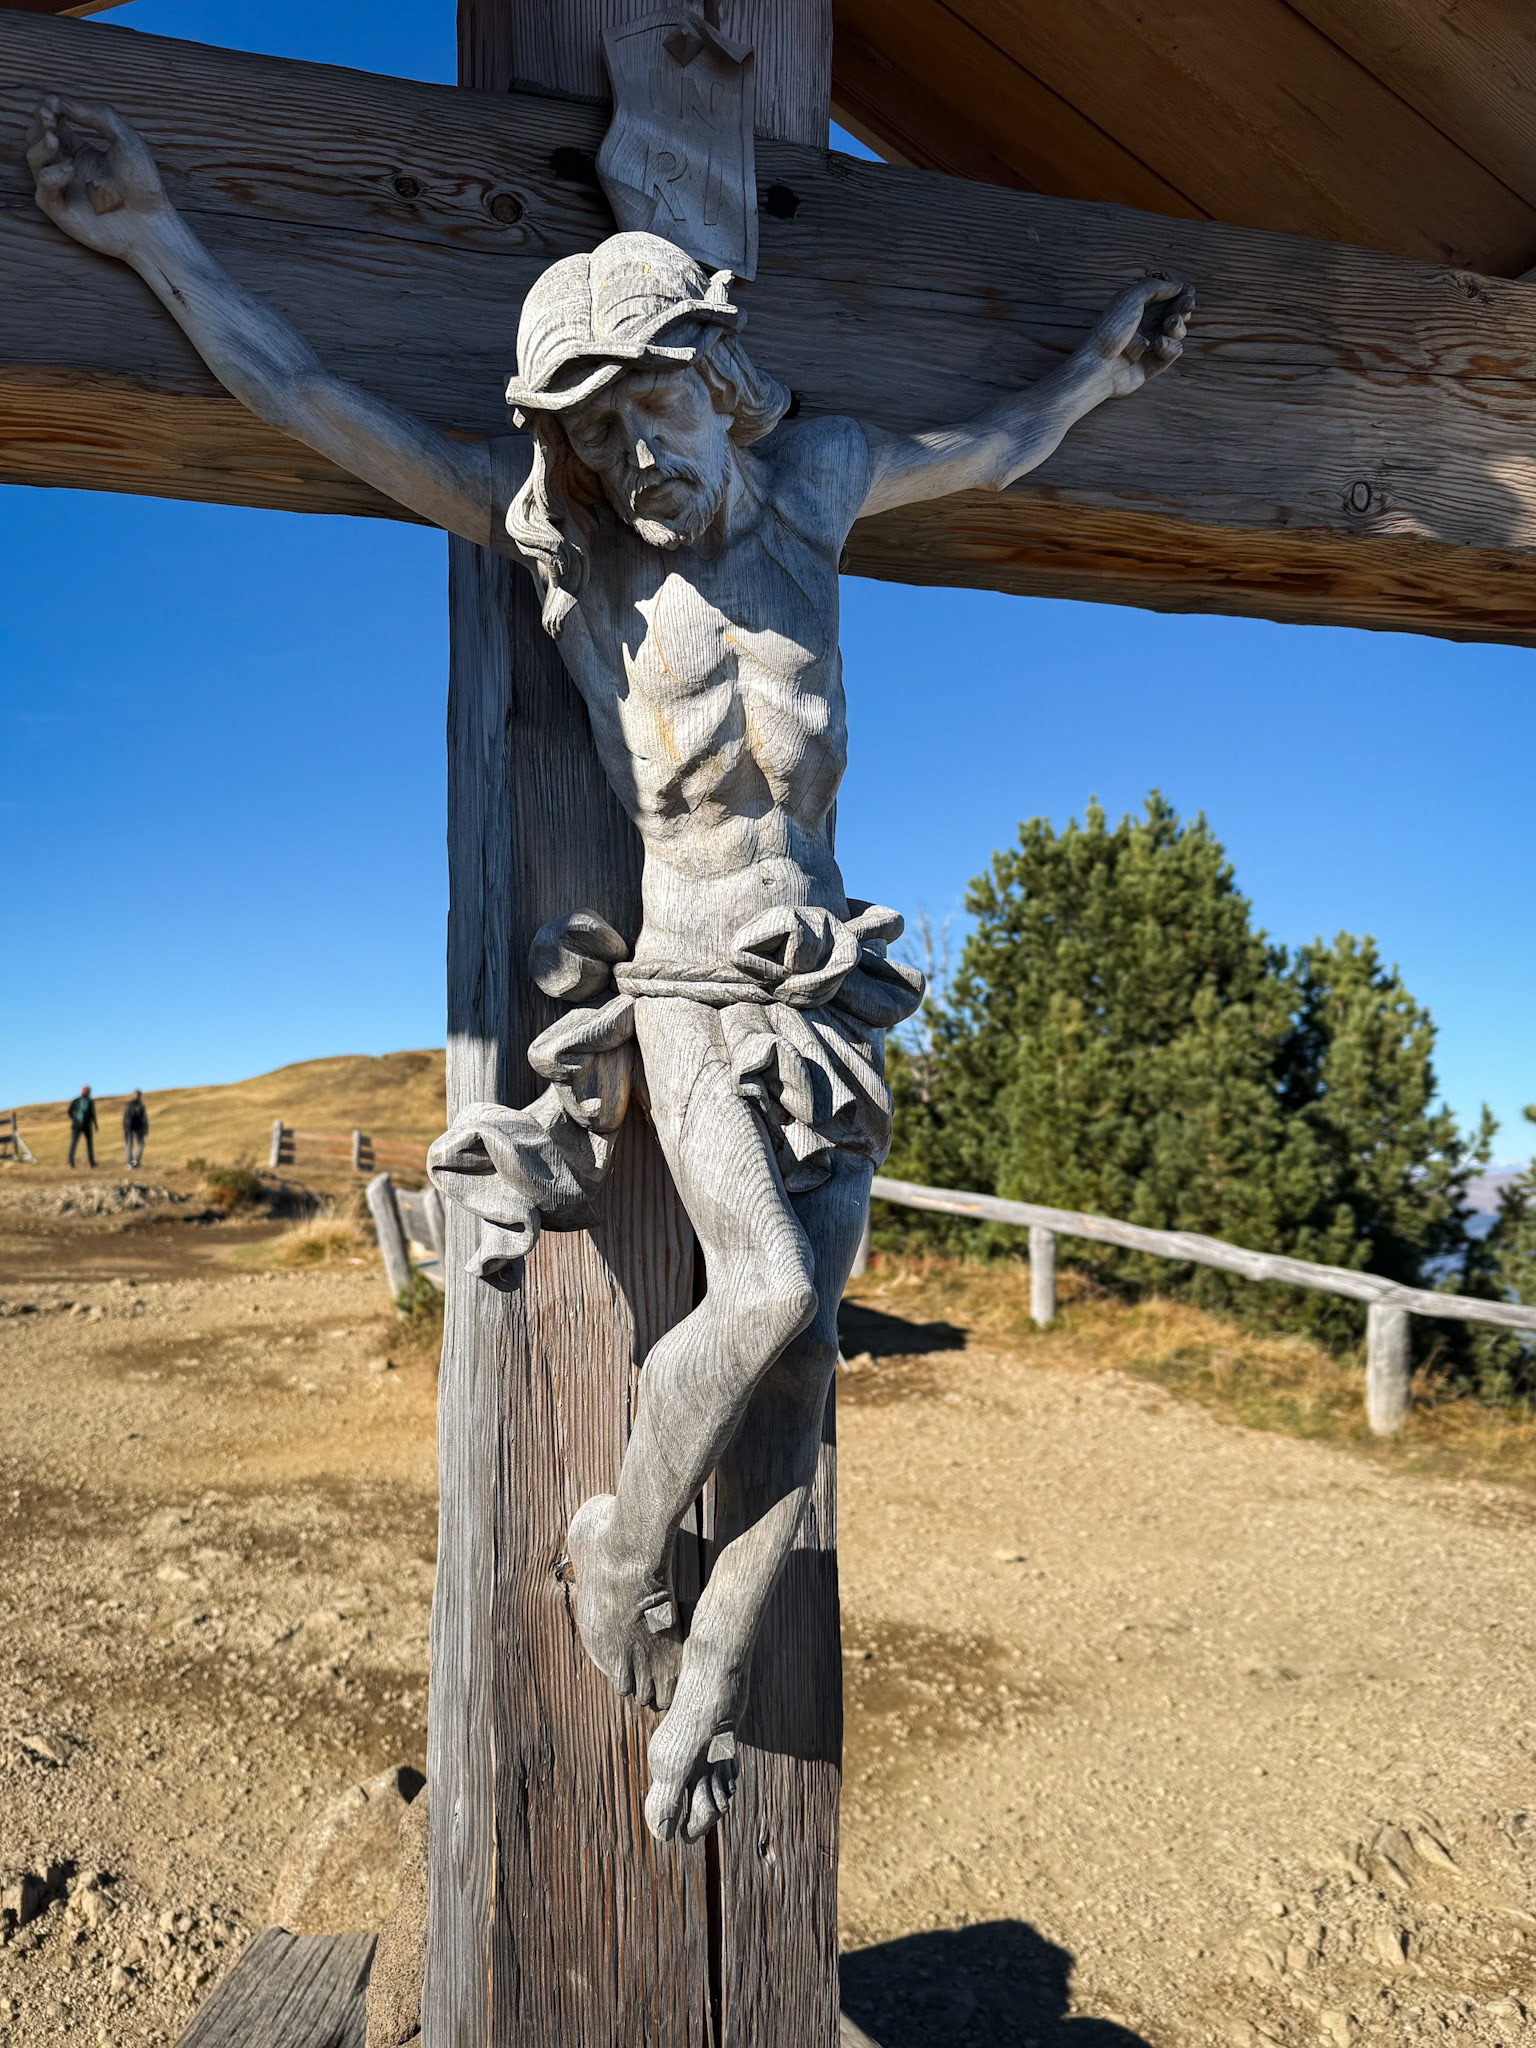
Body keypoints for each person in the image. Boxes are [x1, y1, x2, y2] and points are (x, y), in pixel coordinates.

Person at [26, 95, 1192, 1843]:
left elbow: (1001, 446)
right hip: (693, 983)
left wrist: (1101, 374)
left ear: (717, 386)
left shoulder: (820, 484)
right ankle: (616, 1547)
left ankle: (708, 1682)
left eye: (652, 415)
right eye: (596, 443)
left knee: (803, 1394)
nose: (635, 464)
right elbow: (316, 405)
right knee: (777, 1299)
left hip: (839, 985)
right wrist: (151, 237)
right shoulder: (582, 582)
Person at [67, 1085, 97, 1169]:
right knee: (78, 1143)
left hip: (82, 1125)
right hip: (80, 1126)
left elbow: (92, 1114)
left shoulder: (84, 1101)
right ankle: (73, 1162)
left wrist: (94, 1124)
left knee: (83, 1144)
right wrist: (75, 1119)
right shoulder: (81, 1101)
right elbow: (69, 1111)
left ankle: (89, 1162)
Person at [123, 1089, 148, 1168]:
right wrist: (145, 1129)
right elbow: (144, 1119)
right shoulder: (140, 1105)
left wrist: (125, 1126)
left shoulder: (129, 1104)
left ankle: (131, 1162)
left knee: (130, 1145)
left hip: (131, 1128)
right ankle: (134, 1162)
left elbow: (125, 1117)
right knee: (138, 1144)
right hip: (135, 1128)